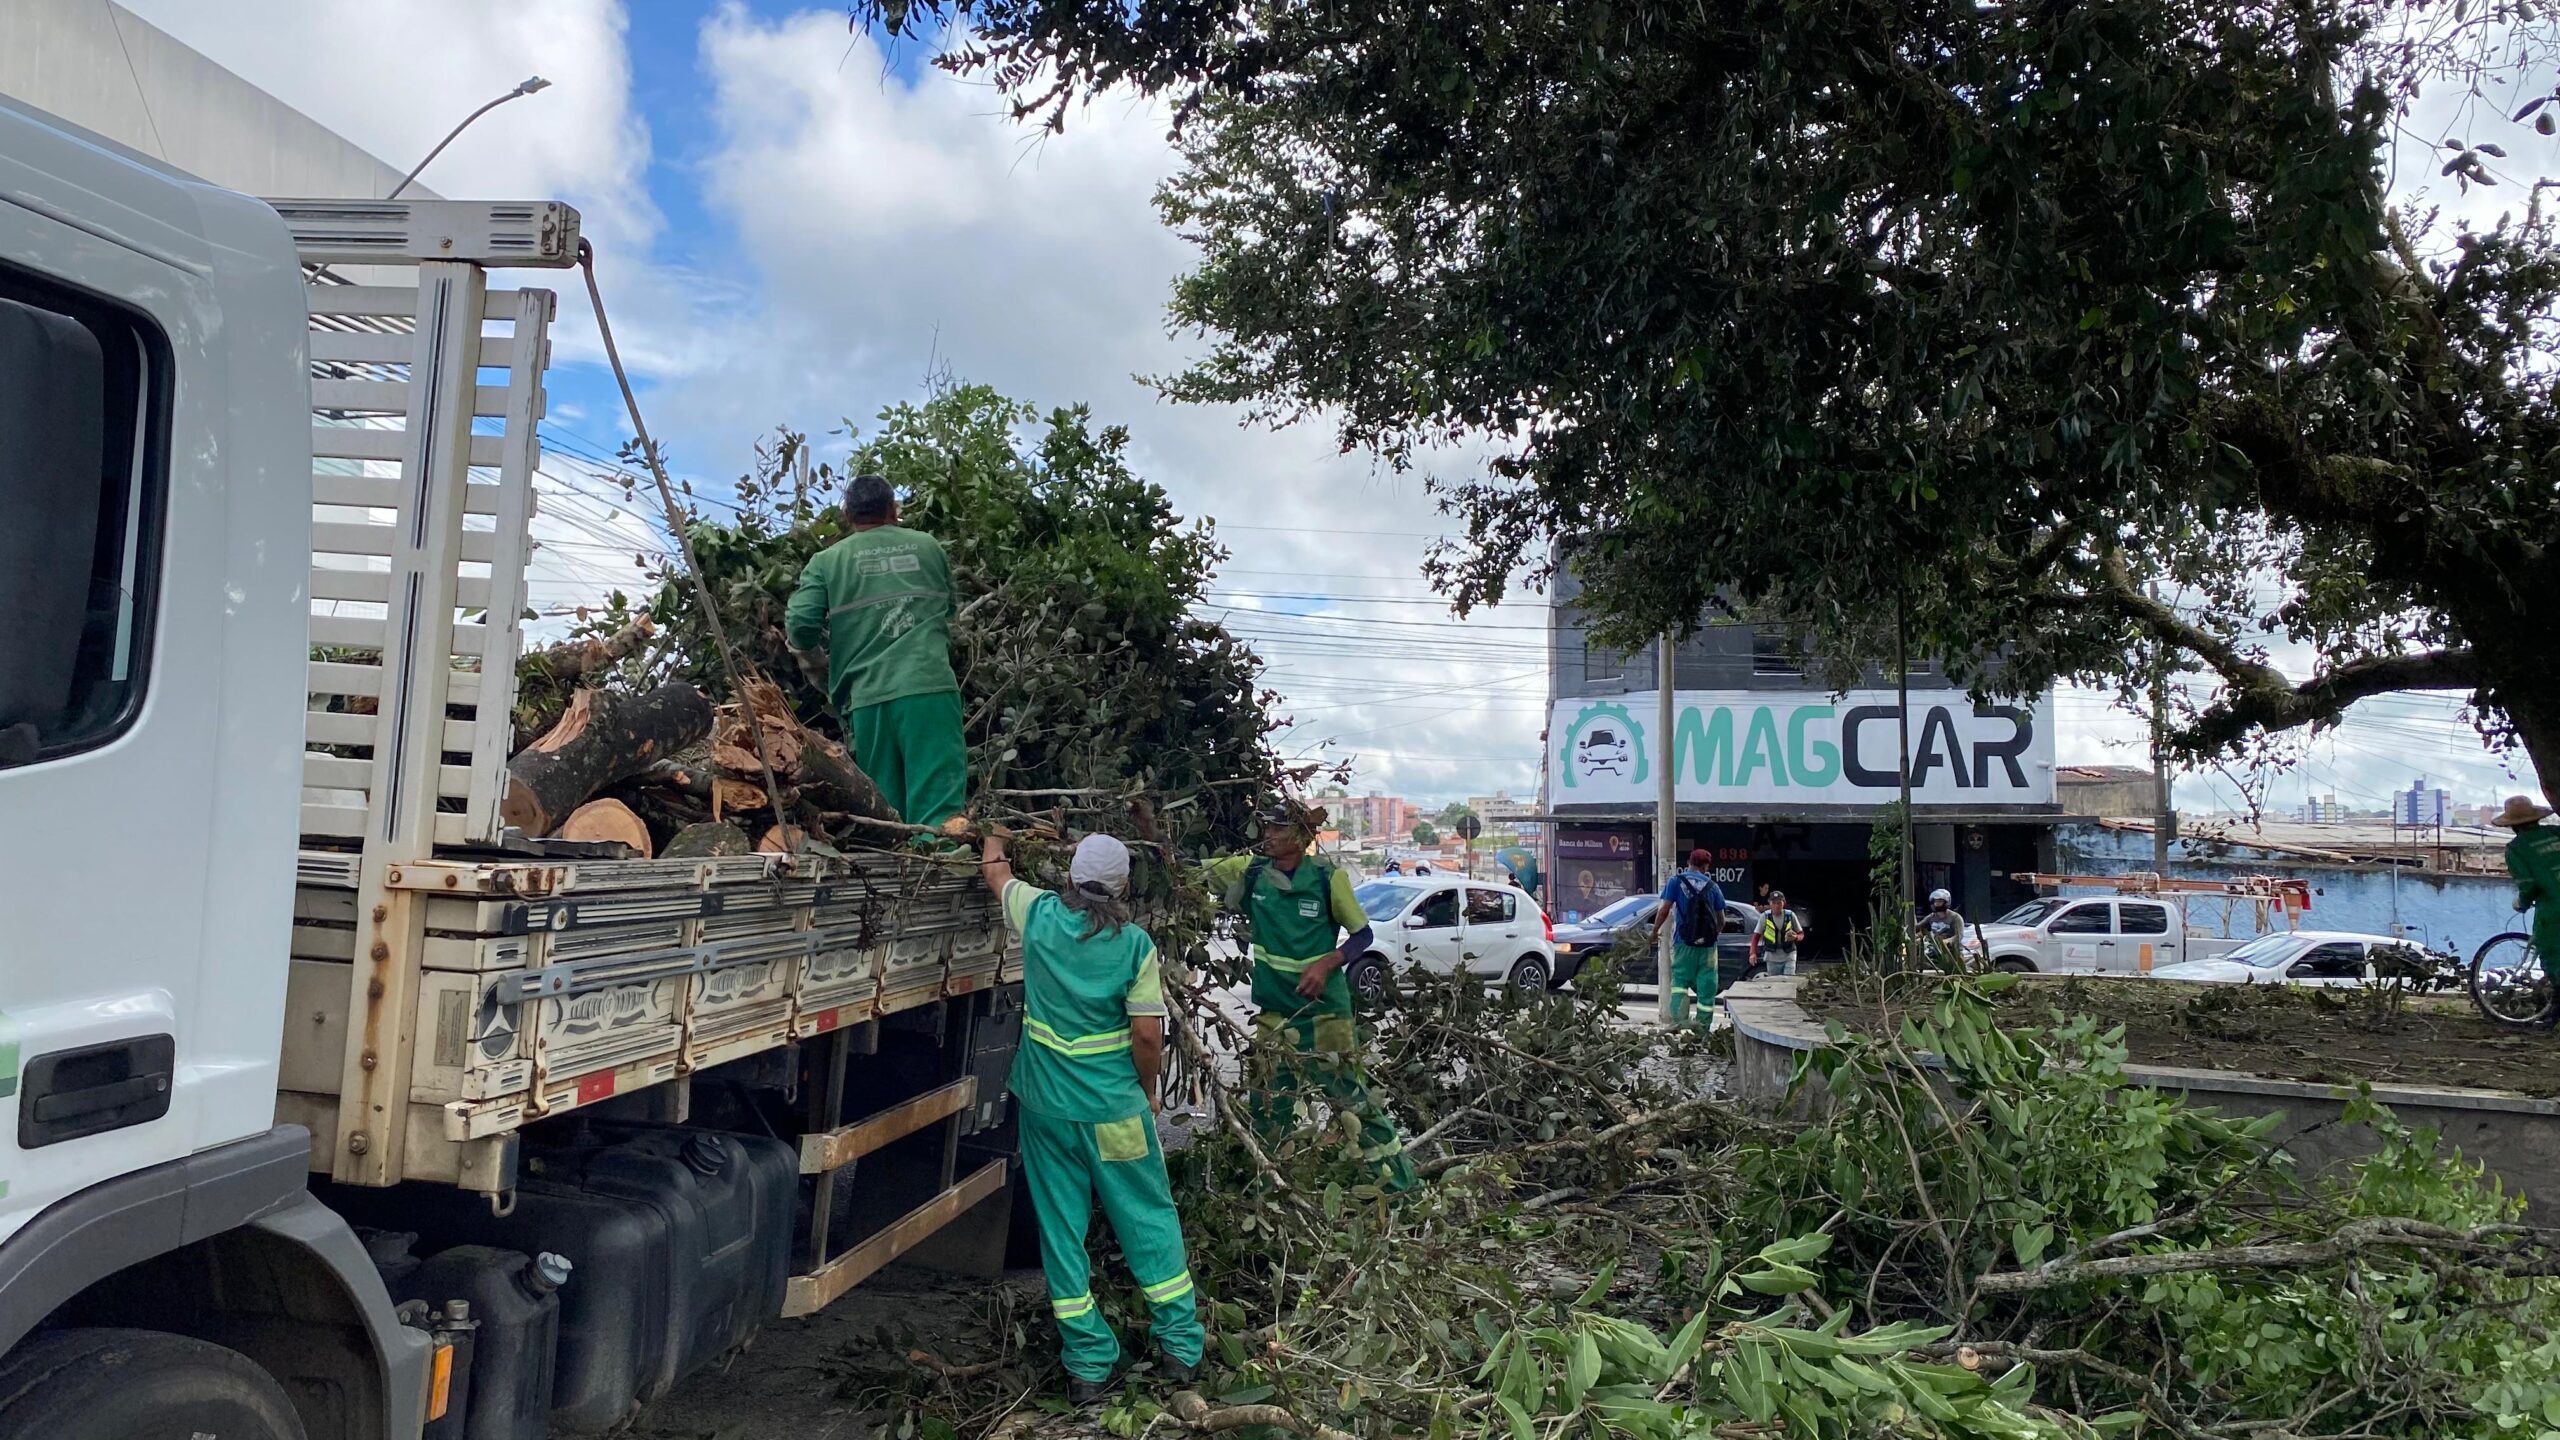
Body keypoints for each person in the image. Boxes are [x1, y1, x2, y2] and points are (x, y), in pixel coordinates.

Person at [983, 831, 1204, 1403]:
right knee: (1147, 1220)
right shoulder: (1135, 947)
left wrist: (993, 838)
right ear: (1123, 887)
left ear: (1071, 879)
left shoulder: (1038, 916)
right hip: (1114, 1114)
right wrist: (1149, 1093)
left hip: (1047, 1107)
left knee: (1060, 1231)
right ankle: (1180, 1348)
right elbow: (1147, 1036)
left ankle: (1087, 1364)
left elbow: (997, 876)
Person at [1205, 810, 1418, 1192]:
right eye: (1265, 826)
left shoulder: (1326, 877)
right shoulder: (1250, 872)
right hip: (1275, 1015)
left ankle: (1398, 1188)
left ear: (1302, 835)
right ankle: (1269, 1192)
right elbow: (1185, 872)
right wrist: (1149, 829)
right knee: (1268, 1104)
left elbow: (1362, 935)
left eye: (1276, 827)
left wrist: (1327, 962)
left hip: (1324, 1016)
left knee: (1351, 1101)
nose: (1266, 834)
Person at [784, 473, 966, 829]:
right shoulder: (928, 546)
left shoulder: (827, 561)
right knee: (939, 814)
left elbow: (800, 625)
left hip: (867, 699)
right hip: (928, 687)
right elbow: (949, 612)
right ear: (893, 511)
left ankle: (894, 879)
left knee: (885, 814)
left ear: (848, 516)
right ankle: (939, 871)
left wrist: (820, 668)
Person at [1648, 849, 1727, 1028]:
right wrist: (1713, 936)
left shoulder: (1676, 882)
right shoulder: (1713, 886)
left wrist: (1654, 932)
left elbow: (1664, 909)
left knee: (1680, 985)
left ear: (1689, 862)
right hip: (1708, 948)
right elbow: (1721, 919)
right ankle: (1701, 1033)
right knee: (1706, 990)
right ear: (1706, 866)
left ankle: (1679, 1025)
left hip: (1683, 943)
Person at [2491, 794, 2560, 986]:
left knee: (2553, 955)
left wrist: (2521, 903)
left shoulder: (2516, 848)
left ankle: (2555, 1008)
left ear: (2512, 825)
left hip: (2553, 908)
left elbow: (2528, 885)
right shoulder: (2556, 832)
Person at [1754, 890, 1807, 977]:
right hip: (1772, 956)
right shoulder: (1765, 917)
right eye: (1774, 903)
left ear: (1784, 903)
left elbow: (1801, 934)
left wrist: (1796, 937)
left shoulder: (1790, 915)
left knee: (1788, 980)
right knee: (1774, 982)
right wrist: (1753, 953)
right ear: (1769, 903)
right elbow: (1756, 936)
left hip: (1789, 954)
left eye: (1779, 903)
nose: (1777, 905)